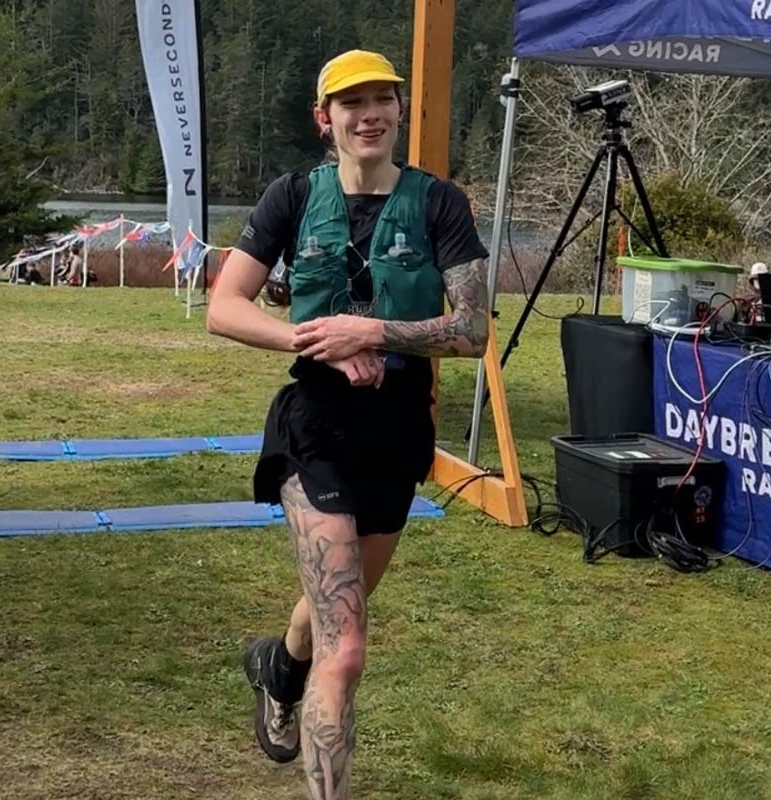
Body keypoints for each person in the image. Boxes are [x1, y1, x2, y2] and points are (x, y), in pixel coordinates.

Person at [206, 49, 490, 799]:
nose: (369, 114)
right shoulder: (293, 196)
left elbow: (473, 330)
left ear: (399, 110)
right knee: (350, 646)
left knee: (337, 606)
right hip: (317, 425)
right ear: (324, 118)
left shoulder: (439, 204)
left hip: (398, 427)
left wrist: (376, 335)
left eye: (382, 100)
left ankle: (278, 666)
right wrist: (320, 340)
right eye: (350, 102)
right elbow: (223, 305)